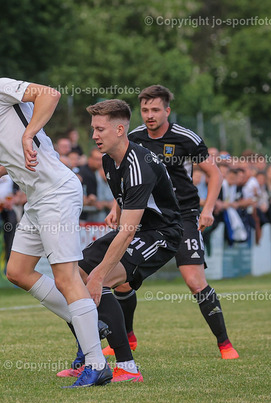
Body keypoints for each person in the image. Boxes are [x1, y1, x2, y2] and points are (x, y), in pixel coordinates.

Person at [0, 49, 110, 387]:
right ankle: (90, 326)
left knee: (66, 278)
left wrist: (28, 133)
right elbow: (28, 151)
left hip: (55, 192)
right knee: (17, 271)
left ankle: (96, 363)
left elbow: (50, 94)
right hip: (38, 199)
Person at [58, 99, 183, 382]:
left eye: (100, 129)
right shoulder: (108, 159)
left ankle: (127, 367)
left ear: (119, 130)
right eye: (93, 129)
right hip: (136, 227)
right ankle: (88, 358)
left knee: (99, 280)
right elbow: (126, 198)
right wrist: (117, 207)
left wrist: (99, 274)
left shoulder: (140, 164)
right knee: (71, 277)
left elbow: (127, 231)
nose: (94, 135)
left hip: (161, 234)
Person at [124, 85, 239, 359]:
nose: (149, 115)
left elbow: (215, 174)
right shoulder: (134, 138)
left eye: (155, 110)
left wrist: (208, 209)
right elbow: (127, 177)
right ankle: (127, 339)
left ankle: (225, 344)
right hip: (148, 217)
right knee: (122, 280)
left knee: (194, 282)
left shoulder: (185, 138)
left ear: (167, 110)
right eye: (144, 110)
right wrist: (119, 208)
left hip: (183, 215)